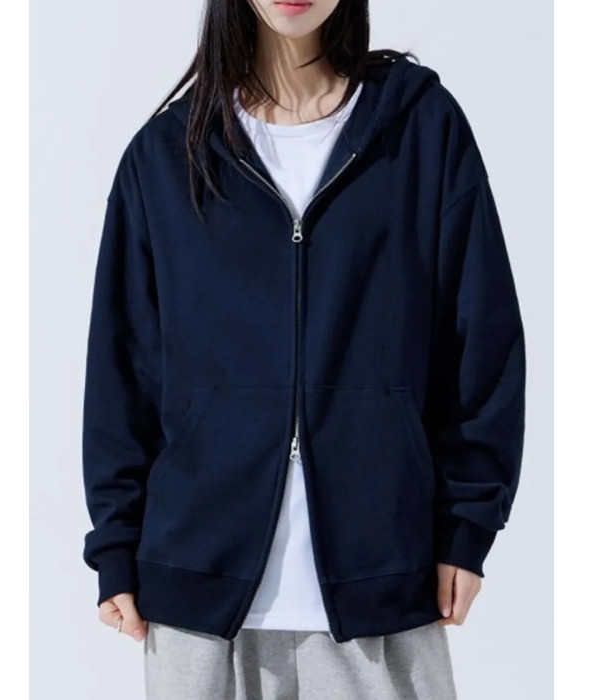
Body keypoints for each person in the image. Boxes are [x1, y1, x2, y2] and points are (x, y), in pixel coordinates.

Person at [80, 0, 526, 697]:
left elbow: (481, 342)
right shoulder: (165, 155)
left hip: (383, 587)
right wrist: (115, 545)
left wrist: (467, 527)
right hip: (198, 601)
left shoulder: (420, 129)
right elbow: (122, 372)